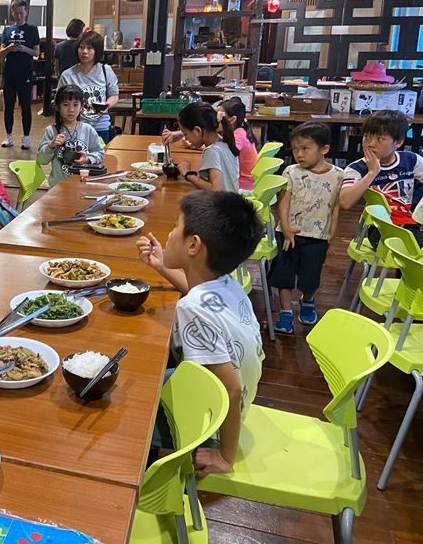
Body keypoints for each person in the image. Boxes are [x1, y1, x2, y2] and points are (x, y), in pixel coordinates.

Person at [136, 191, 265, 478]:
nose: (168, 235)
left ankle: (145, 478)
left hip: (217, 421)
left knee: (131, 410)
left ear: (193, 244)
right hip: (241, 395)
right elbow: (196, 292)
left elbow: (229, 390)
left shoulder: (192, 308)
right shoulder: (226, 282)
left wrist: (225, 455)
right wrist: (160, 264)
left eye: (175, 227)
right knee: (148, 377)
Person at [269, 123, 342, 334]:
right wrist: (286, 227)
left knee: (311, 277)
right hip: (288, 234)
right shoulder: (291, 171)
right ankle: (285, 312)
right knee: (284, 274)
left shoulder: (338, 175)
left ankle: (308, 299)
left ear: (324, 149)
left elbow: (336, 206)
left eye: (305, 148)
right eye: (295, 149)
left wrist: (332, 233)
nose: (299, 154)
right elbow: (283, 202)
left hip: (318, 236)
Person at [339, 110, 423, 247]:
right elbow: (345, 202)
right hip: (378, 228)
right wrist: (372, 172)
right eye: (366, 136)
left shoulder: (410, 160)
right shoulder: (356, 168)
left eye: (379, 138)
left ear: (398, 142)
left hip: (408, 224)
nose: (370, 143)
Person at [57, 30, 120, 144]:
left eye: (90, 48)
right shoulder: (67, 75)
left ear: (97, 51)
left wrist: (106, 105)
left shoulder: (106, 71)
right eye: (81, 47)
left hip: (101, 127)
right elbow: (59, 102)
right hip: (74, 127)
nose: (84, 52)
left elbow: (114, 95)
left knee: (99, 159)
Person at [37, 85, 104, 187]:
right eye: (65, 105)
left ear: (81, 107)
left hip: (83, 184)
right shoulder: (51, 131)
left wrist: (88, 159)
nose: (71, 109)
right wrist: (51, 145)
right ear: (58, 106)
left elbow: (99, 152)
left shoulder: (88, 130)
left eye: (75, 105)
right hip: (58, 187)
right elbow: (41, 160)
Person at [0, 0, 40, 150]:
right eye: (16, 13)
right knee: (8, 107)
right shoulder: (7, 30)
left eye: (21, 13)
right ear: (12, 12)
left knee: (26, 107)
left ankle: (26, 138)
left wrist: (24, 49)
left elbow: (36, 52)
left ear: (26, 12)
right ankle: (8, 136)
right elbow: (1, 53)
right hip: (9, 74)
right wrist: (9, 48)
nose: (19, 16)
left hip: (25, 74)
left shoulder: (32, 29)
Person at [174, 102, 240, 192]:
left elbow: (215, 190)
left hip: (221, 205)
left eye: (185, 134)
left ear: (197, 130)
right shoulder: (225, 142)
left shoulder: (212, 151)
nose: (186, 138)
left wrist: (187, 174)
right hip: (233, 202)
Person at [218, 98, 258, 191]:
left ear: (232, 120)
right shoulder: (240, 131)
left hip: (242, 184)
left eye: (219, 116)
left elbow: (226, 153)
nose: (215, 119)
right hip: (245, 181)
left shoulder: (239, 135)